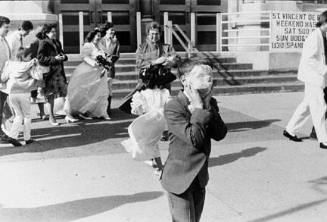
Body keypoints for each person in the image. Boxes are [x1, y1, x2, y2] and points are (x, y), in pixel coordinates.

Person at [161, 58, 227, 222]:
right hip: (179, 179)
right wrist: (198, 109)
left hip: (199, 178)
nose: (209, 80)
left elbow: (220, 133)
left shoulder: (209, 103)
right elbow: (194, 139)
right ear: (185, 80)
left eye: (210, 76)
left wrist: (208, 107)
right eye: (202, 76)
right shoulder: (174, 106)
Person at [284, 10, 327, 149]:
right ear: (325, 22)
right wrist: (325, 69)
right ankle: (323, 140)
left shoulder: (322, 35)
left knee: (307, 106)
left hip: (315, 77)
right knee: (320, 108)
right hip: (314, 77)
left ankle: (290, 130)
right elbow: (310, 60)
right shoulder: (314, 37)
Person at [37, 24, 78, 125]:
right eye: (52, 32)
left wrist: (64, 56)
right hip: (50, 74)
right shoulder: (43, 43)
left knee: (65, 94)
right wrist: (54, 59)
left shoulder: (57, 42)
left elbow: (63, 54)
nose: (55, 33)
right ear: (46, 33)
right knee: (50, 96)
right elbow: (40, 59)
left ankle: (68, 115)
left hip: (59, 72)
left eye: (55, 32)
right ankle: (51, 117)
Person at [67, 29, 110, 119]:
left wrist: (106, 65)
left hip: (101, 72)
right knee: (89, 92)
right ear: (93, 36)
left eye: (99, 36)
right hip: (90, 71)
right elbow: (84, 57)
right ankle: (85, 111)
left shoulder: (100, 46)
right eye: (97, 35)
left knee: (102, 92)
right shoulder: (88, 45)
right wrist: (94, 63)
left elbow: (106, 56)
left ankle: (102, 112)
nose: (98, 37)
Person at [1, 48, 39, 146]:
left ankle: (13, 136)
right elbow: (38, 76)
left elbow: (3, 78)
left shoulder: (11, 65)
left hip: (12, 93)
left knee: (18, 115)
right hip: (24, 92)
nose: (31, 57)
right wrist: (36, 66)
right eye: (29, 56)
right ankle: (27, 138)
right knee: (27, 115)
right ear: (23, 57)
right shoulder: (29, 66)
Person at [24, 27, 46, 120]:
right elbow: (26, 56)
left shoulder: (36, 43)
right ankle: (41, 113)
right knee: (38, 92)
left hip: (38, 70)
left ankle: (41, 112)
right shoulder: (36, 43)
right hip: (34, 70)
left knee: (38, 92)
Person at [100, 22, 120, 116]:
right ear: (106, 30)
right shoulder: (100, 40)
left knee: (109, 87)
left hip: (110, 68)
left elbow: (116, 55)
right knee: (100, 87)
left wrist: (109, 62)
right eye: (111, 29)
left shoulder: (115, 41)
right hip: (99, 68)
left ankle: (108, 109)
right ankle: (100, 108)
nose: (113, 31)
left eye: (113, 29)